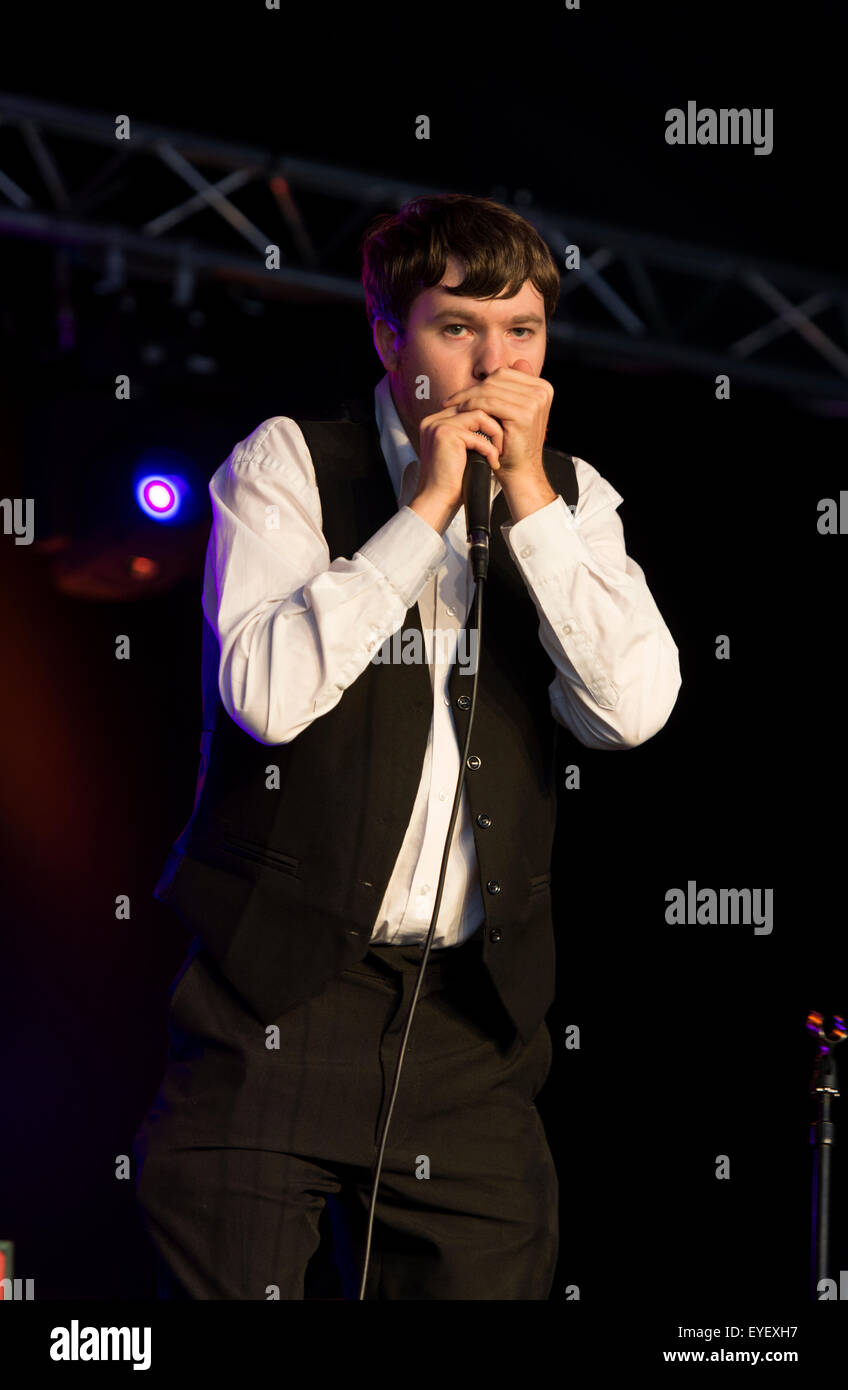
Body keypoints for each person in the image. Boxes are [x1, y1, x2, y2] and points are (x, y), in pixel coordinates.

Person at [132, 193, 681, 1300]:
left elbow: (629, 710)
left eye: (519, 331)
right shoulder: (291, 463)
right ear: (388, 336)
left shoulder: (575, 500)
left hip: (467, 1030)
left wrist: (526, 502)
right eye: (455, 328)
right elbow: (266, 696)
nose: (493, 363)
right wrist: (424, 507)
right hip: (274, 1009)